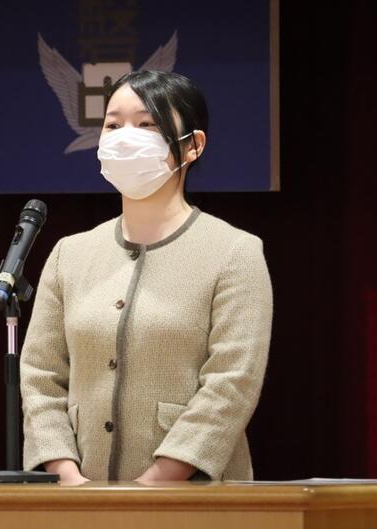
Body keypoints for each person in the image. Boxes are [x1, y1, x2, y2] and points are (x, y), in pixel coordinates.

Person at [20, 71, 273, 484]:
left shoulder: (234, 252)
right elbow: (40, 376)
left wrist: (154, 483)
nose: (125, 137)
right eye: (113, 125)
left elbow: (232, 382)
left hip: (196, 497)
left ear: (192, 145)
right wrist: (66, 475)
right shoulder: (70, 254)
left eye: (147, 124)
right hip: (78, 496)